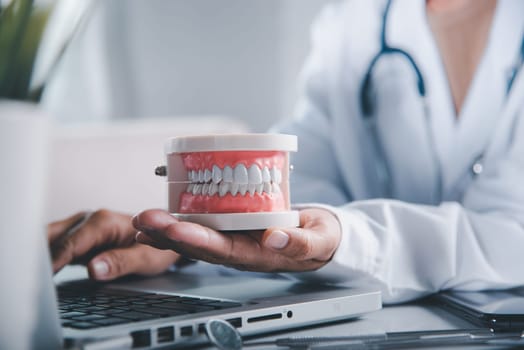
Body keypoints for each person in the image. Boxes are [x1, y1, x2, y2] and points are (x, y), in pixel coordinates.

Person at [49, 0, 524, 303]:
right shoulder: (354, 21)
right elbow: (296, 185)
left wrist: (349, 238)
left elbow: (514, 234)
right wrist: (184, 244)